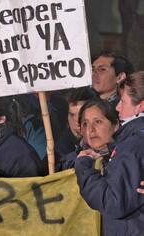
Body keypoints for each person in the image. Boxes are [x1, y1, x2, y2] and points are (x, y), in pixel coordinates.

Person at [75, 71, 144, 235]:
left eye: (123, 101)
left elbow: (114, 202)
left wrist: (84, 168)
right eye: (85, 123)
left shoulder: (131, 146)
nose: (118, 108)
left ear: (140, 106)